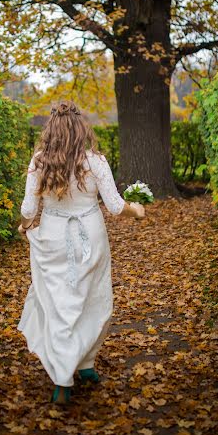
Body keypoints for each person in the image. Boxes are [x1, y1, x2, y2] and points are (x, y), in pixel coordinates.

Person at [17, 100, 145, 405]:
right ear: (80, 129)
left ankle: (77, 369)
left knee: (60, 304)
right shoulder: (96, 161)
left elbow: (28, 209)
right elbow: (115, 207)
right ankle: (71, 372)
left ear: (51, 131)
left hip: (53, 238)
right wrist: (136, 211)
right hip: (91, 236)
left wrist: (24, 226)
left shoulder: (39, 162)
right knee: (93, 300)